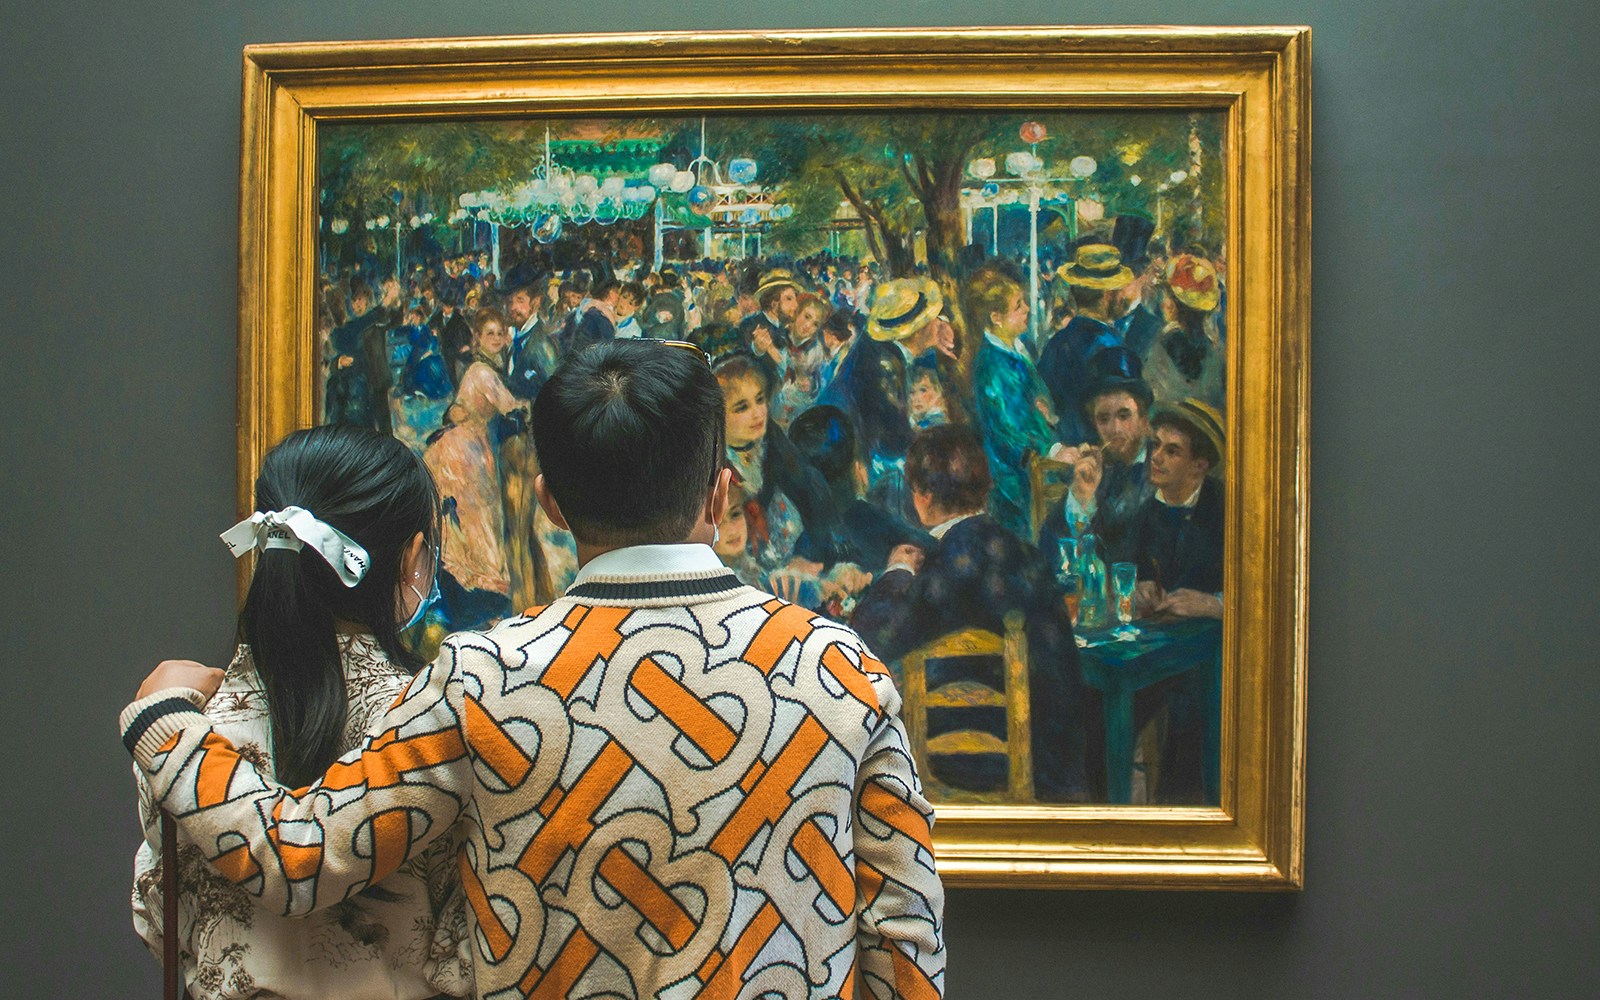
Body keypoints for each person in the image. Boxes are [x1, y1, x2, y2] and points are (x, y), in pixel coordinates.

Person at [123, 339, 946, 999]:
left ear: (550, 503)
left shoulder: (481, 675)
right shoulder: (843, 668)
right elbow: (906, 941)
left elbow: (294, 859)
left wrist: (164, 723)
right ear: (722, 495)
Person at [129, 424, 471, 1000]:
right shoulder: (434, 719)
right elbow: (468, 941)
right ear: (414, 559)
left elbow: (160, 918)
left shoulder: (179, 722)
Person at [851, 425, 1091, 802]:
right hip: (1055, 762)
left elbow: (870, 637)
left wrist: (897, 571)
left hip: (974, 761)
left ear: (924, 497)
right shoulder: (1025, 552)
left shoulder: (952, 561)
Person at [422, 309, 521, 627]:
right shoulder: (481, 371)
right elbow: (509, 405)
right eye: (490, 333)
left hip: (470, 447)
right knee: (478, 527)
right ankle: (482, 606)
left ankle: (472, 604)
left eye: (501, 333)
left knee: (469, 527)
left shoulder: (484, 368)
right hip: (463, 454)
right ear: (477, 338)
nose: (497, 339)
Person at [967, 266, 1077, 541]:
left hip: (1039, 468)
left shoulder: (1019, 346)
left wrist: (1046, 409)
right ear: (996, 317)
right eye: (1019, 306)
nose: (1027, 308)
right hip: (1015, 481)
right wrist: (1049, 448)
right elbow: (1003, 430)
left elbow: (1039, 398)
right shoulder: (991, 367)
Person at [1132, 397, 1226, 621]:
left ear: (1199, 466)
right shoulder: (1144, 512)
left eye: (1172, 451)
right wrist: (1140, 588)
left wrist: (1215, 605)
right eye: (1156, 445)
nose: (1156, 456)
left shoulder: (1225, 510)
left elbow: (1259, 590)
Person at [1038, 243, 1136, 445]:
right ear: (1108, 294)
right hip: (1104, 455)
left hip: (1066, 454)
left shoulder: (1055, 344)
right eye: (1119, 290)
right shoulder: (1112, 348)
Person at [1144, 253, 1226, 412]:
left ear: (1174, 305)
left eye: (1166, 296)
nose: (1163, 303)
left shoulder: (1160, 349)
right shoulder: (1217, 354)